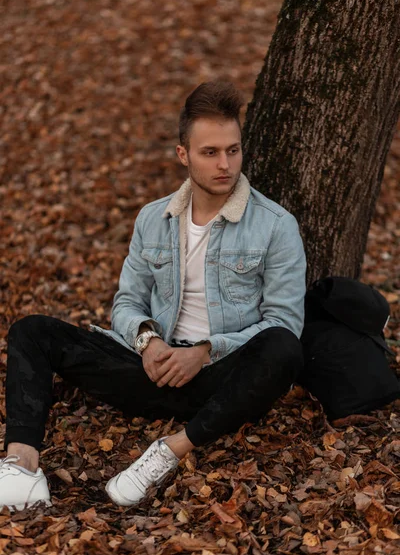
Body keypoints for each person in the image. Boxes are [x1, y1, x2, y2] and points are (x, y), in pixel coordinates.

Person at [1, 81, 306, 510]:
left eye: (233, 150)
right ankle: (22, 464)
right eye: (210, 152)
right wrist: (149, 343)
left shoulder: (275, 225)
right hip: (152, 370)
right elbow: (126, 303)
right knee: (32, 332)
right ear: (183, 155)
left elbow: (283, 321)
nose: (225, 164)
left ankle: (170, 451)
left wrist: (203, 352)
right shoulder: (154, 218)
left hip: (222, 380)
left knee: (285, 348)